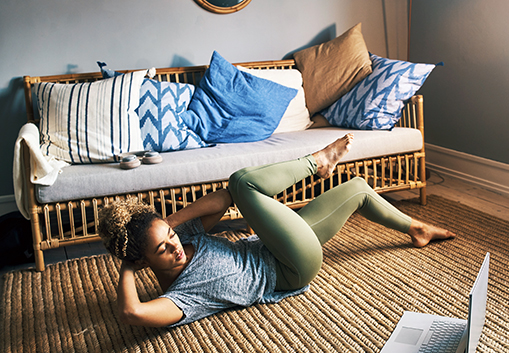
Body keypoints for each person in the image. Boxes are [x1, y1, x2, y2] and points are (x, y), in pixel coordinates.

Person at [98, 134, 455, 328]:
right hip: (288, 268)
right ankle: (318, 161)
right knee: (242, 182)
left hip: (271, 245)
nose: (174, 248)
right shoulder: (181, 297)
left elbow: (222, 200)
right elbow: (132, 313)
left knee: (357, 188)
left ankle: (417, 228)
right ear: (144, 261)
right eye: (162, 249)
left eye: (170, 239)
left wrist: (171, 224)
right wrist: (129, 264)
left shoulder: (185, 237)